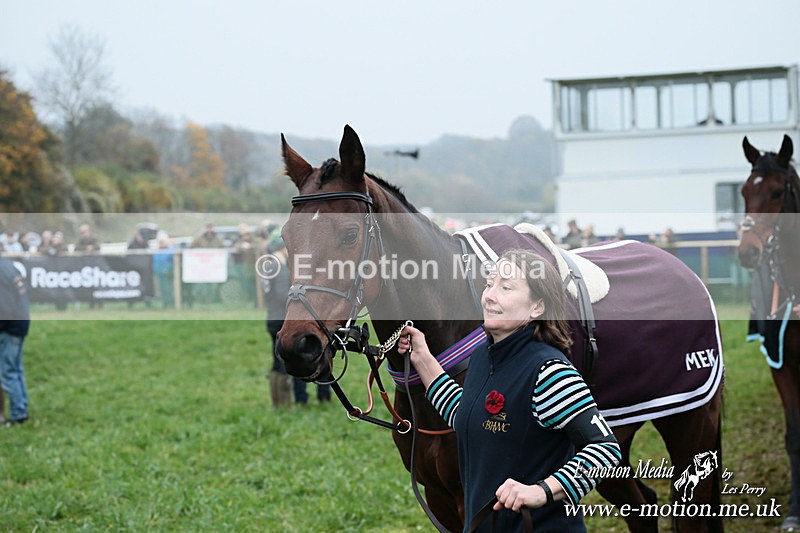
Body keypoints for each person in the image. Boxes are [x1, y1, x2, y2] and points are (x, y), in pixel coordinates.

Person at [398, 249, 621, 531]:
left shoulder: (549, 372)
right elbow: (466, 416)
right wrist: (422, 358)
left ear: (537, 307)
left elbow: (605, 450)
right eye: (489, 284)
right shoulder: (482, 356)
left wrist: (542, 490)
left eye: (506, 287)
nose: (489, 296)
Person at [0, 253, 30, 426]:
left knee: (9, 372)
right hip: (20, 324)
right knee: (16, 369)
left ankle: (18, 414)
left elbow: (4, 306)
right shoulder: (8, 266)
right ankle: (21, 408)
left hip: (9, 328)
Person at [263, 234, 293, 408]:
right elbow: (283, 295)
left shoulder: (269, 265)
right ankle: (284, 403)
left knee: (276, 361)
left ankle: (277, 402)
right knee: (283, 362)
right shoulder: (279, 267)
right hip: (280, 318)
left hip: (271, 316)